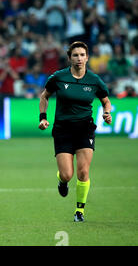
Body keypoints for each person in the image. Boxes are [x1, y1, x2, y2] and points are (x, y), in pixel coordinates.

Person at [38, 41, 112, 222]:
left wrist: (107, 113)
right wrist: (42, 117)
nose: (79, 58)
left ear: (87, 57)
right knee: (67, 174)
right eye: (75, 55)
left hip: (85, 129)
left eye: (82, 55)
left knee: (83, 172)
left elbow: (105, 100)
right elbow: (44, 96)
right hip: (63, 130)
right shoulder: (58, 77)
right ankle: (62, 182)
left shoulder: (95, 80)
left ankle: (80, 211)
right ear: (69, 58)